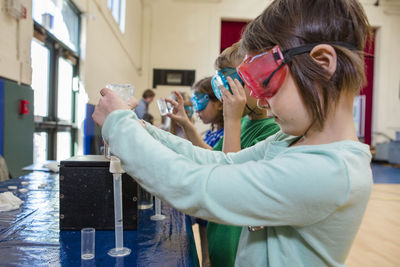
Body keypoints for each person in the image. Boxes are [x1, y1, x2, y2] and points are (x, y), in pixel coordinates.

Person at [92, 0, 373, 265]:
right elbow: (221, 162)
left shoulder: (329, 170)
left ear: (322, 64)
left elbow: (197, 187)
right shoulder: (292, 140)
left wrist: (119, 125)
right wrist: (144, 130)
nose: (261, 100)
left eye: (267, 82)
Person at [207, 41, 280, 267]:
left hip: (238, 249)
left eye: (232, 83)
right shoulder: (244, 122)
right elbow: (213, 160)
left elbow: (232, 182)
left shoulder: (273, 131)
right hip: (219, 236)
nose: (225, 91)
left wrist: (231, 118)